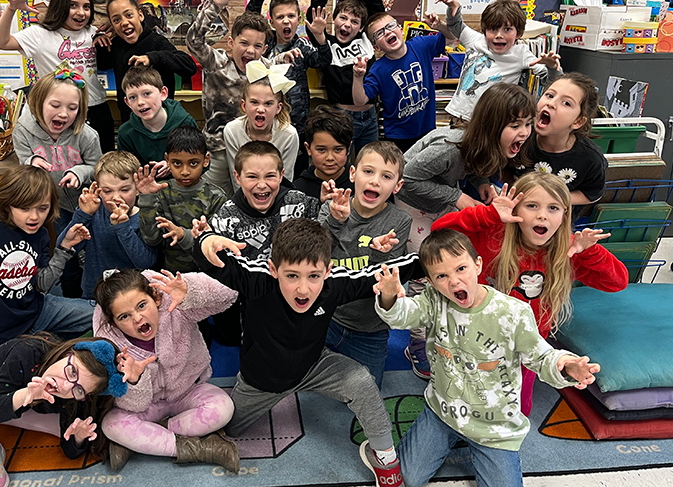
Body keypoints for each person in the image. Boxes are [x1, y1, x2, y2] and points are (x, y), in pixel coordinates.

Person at [194, 218, 421, 487]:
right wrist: (205, 241)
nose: (303, 288)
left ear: (327, 271)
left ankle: (384, 457)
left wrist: (429, 262)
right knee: (226, 429)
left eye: (313, 276)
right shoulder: (258, 280)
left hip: (314, 365)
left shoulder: (333, 284)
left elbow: (383, 272)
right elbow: (213, 261)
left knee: (362, 380)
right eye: (292, 276)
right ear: (273, 269)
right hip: (261, 380)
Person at [371, 228, 601, 487]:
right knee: (406, 479)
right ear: (432, 282)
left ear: (478, 264)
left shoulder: (513, 312)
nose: (455, 282)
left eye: (461, 269)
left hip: (495, 428)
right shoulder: (434, 300)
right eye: (442, 276)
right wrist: (389, 295)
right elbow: (403, 315)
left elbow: (540, 355)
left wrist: (566, 365)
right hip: (443, 412)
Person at [432, 173, 628, 415]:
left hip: (525, 348)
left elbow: (617, 281)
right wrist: (488, 214)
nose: (542, 215)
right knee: (463, 394)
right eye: (532, 206)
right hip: (476, 336)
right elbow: (438, 234)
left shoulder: (568, 249)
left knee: (516, 406)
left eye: (553, 208)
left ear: (564, 215)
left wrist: (588, 251)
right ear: (515, 209)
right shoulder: (494, 234)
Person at [397, 82, 536, 379]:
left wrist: (483, 182)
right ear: (491, 126)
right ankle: (417, 344)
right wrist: (457, 197)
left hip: (439, 198)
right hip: (409, 200)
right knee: (427, 269)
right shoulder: (449, 149)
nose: (524, 132)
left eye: (527, 123)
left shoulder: (497, 148)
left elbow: (479, 163)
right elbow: (405, 178)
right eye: (515, 125)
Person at [0, 334, 127, 487]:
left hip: (24, 411)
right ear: (68, 353)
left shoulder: (75, 394)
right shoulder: (27, 352)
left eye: (79, 389)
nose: (65, 386)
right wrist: (23, 396)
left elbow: (70, 450)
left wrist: (78, 437)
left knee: (90, 430)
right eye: (71, 370)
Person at [93, 269, 240, 471]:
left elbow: (228, 295)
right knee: (111, 424)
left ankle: (148, 440)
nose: (137, 318)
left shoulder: (176, 307)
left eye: (142, 305)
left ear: (156, 298)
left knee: (224, 408)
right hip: (148, 404)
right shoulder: (110, 346)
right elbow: (134, 405)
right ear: (113, 323)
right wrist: (136, 380)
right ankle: (200, 447)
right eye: (124, 316)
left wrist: (190, 290)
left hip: (188, 390)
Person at [0, 165, 95, 355]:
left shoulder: (41, 234)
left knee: (101, 314)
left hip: (37, 311)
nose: (34, 217)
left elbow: (42, 284)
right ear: (7, 205)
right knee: (9, 378)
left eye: (42, 208)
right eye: (24, 208)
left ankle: (48, 344)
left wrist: (65, 247)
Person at [186, 0, 297, 196]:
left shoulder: (265, 66)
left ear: (264, 49)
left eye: (257, 46)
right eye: (244, 43)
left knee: (253, 196)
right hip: (218, 148)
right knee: (215, 197)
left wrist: (284, 58)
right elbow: (194, 41)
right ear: (231, 42)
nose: (250, 51)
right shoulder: (217, 63)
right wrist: (214, 6)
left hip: (254, 148)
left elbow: (275, 71)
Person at [209, 141, 322, 345]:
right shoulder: (225, 217)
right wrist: (203, 239)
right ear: (237, 177)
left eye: (270, 176)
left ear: (281, 175)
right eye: (252, 176)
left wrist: (333, 211)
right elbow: (214, 263)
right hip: (251, 298)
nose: (262, 185)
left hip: (295, 292)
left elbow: (325, 229)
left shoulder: (299, 201)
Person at [319, 141, 413, 387]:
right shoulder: (331, 207)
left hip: (369, 327)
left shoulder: (399, 220)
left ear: (397, 186)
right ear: (353, 173)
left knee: (367, 389)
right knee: (305, 374)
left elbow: (388, 284)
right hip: (327, 316)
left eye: (386, 176)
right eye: (368, 171)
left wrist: (380, 253)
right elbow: (314, 259)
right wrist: (335, 222)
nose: (375, 181)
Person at [0, 0, 115, 152]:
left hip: (96, 109)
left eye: (86, 7)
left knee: (102, 167)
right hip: (59, 114)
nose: (81, 12)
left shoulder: (93, 33)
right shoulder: (39, 34)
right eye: (73, 5)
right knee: (63, 168)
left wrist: (114, 28)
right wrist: (11, 10)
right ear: (60, 5)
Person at [12, 69, 102, 299]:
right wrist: (32, 161)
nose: (63, 113)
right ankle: (71, 296)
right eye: (55, 105)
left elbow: (97, 168)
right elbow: (23, 158)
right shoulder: (22, 130)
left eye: (72, 108)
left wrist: (78, 172)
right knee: (65, 251)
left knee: (93, 251)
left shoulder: (87, 136)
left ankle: (93, 297)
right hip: (55, 206)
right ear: (39, 102)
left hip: (86, 205)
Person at [246, 0, 332, 174]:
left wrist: (320, 37)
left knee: (295, 172)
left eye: (291, 16)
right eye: (280, 17)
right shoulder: (265, 45)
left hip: (297, 125)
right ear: (272, 21)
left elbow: (323, 61)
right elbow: (250, 17)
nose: (286, 21)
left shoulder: (302, 45)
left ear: (298, 19)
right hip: (266, 123)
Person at [438, 0, 561, 123]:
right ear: (485, 31)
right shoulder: (476, 40)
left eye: (507, 29)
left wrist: (552, 67)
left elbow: (554, 82)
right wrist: (454, 7)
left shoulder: (521, 53)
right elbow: (455, 25)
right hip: (460, 117)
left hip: (490, 122)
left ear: (518, 33)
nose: (498, 35)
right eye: (493, 29)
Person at [307, 0, 386, 158]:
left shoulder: (366, 40)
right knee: (339, 165)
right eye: (343, 18)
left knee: (369, 162)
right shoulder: (326, 43)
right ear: (334, 20)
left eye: (354, 21)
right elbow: (313, 17)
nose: (347, 24)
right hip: (341, 116)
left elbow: (378, 13)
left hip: (370, 116)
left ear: (361, 28)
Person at [57, 151, 156, 299]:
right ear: (98, 190)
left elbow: (147, 262)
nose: (116, 197)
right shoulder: (93, 213)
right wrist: (83, 215)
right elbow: (63, 248)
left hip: (133, 298)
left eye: (125, 189)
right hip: (94, 296)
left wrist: (123, 228)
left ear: (137, 189)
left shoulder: (145, 217)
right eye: (107, 191)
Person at [352, 12, 451, 152]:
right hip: (397, 136)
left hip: (427, 130)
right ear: (377, 48)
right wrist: (357, 77)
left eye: (390, 26)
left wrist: (439, 26)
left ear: (401, 29)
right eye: (379, 33)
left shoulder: (421, 45)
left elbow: (452, 37)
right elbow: (360, 101)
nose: (387, 32)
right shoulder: (378, 69)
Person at [135, 127, 228, 274]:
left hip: (209, 277)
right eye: (177, 163)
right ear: (167, 160)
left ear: (206, 160)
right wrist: (147, 198)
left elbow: (217, 243)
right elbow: (151, 239)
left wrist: (183, 234)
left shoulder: (216, 196)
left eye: (193, 163)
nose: (185, 171)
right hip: (171, 276)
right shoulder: (162, 193)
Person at [96, 0, 196, 121]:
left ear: (140, 15)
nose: (124, 22)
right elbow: (103, 65)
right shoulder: (116, 45)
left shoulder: (156, 41)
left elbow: (189, 66)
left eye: (129, 15)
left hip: (162, 121)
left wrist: (152, 58)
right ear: (112, 25)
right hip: (131, 122)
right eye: (116, 20)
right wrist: (100, 42)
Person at [525, 72, 607, 214]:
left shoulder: (590, 158)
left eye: (566, 103)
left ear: (578, 121)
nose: (551, 103)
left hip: (558, 227)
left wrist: (554, 198)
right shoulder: (521, 137)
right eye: (550, 95)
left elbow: (592, 193)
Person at [223, 61, 299, 189]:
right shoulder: (232, 131)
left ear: (278, 108)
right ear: (244, 105)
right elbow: (237, 179)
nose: (261, 109)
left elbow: (285, 181)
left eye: (268, 104)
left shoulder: (288, 136)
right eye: (254, 102)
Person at [116, 65, 198, 174]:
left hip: (182, 186)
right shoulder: (126, 133)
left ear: (163, 93)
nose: (140, 102)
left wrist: (174, 165)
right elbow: (126, 173)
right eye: (133, 97)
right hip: (144, 188)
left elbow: (202, 163)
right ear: (127, 103)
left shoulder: (185, 123)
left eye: (147, 94)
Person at [293, 104, 354, 199]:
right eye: (321, 150)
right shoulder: (298, 191)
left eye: (338, 149)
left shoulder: (361, 183)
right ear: (308, 149)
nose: (330, 158)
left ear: (348, 148)